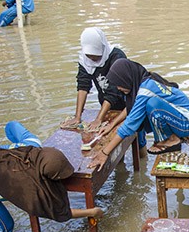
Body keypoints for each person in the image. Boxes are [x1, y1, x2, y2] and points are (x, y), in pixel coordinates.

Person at [90, 58, 189, 169]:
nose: (118, 88)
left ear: (126, 78)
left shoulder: (146, 89)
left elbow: (130, 125)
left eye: (119, 84)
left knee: (152, 104)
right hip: (180, 119)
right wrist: (111, 125)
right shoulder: (143, 83)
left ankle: (171, 140)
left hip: (188, 123)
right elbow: (131, 108)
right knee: (148, 107)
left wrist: (104, 152)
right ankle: (167, 138)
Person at [61, 28, 148, 156]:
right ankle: (120, 163)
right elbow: (83, 86)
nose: (93, 60)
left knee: (138, 138)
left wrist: (99, 118)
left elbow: (113, 91)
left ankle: (142, 161)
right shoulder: (84, 61)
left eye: (96, 57)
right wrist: (77, 117)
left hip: (129, 102)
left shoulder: (116, 57)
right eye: (90, 57)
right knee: (112, 141)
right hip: (107, 106)